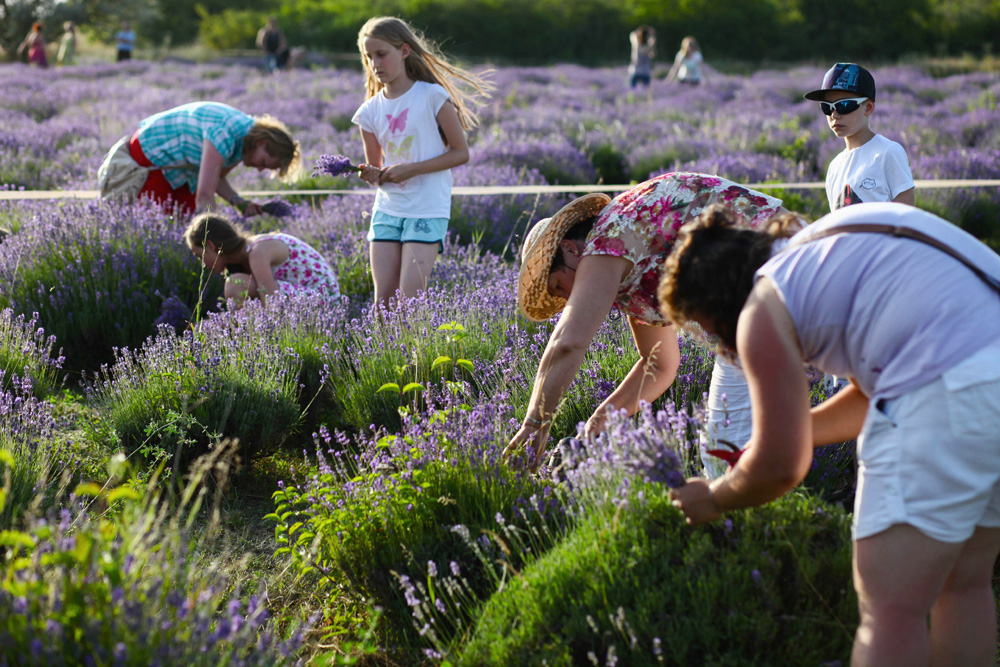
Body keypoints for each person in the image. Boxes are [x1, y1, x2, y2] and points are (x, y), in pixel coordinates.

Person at [660, 201, 1000, 667]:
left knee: (891, 607)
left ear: (717, 303)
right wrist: (784, 434)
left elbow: (782, 467)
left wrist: (715, 497)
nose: (721, 345)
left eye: (708, 328)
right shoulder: (826, 244)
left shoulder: (762, 303)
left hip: (944, 388)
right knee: (963, 583)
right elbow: (865, 397)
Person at [502, 172, 788, 471]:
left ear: (570, 249)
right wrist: (600, 422)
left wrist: (535, 424)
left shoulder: (605, 243)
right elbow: (658, 364)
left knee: (725, 452)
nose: (569, 300)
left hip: (776, 265)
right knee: (729, 451)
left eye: (559, 286)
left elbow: (568, 343)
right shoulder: (629, 268)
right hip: (754, 302)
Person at [351, 16, 492, 306]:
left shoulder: (432, 96)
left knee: (409, 303)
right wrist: (370, 173)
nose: (375, 63)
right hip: (387, 210)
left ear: (404, 51)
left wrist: (411, 169)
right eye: (369, 57)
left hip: (427, 209)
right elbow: (376, 172)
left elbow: (460, 152)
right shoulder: (368, 112)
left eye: (381, 54)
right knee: (383, 305)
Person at [98, 101, 301, 216]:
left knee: (188, 219)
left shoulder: (243, 141)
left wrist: (238, 201)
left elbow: (216, 177)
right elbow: (204, 195)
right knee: (158, 222)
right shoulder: (226, 134)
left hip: (179, 168)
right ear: (261, 142)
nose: (259, 169)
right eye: (264, 163)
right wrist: (222, 236)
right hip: (152, 154)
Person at [805, 63, 914, 210]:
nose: (834, 115)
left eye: (844, 105)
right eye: (827, 107)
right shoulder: (834, 167)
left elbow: (907, 215)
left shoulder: (888, 153)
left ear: (868, 107)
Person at [184, 213, 340, 308]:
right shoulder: (246, 256)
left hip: (326, 304)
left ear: (211, 246)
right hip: (309, 299)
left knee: (236, 284)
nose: (202, 264)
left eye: (199, 256)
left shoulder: (257, 252)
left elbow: (271, 304)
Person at [627, 26, 656, 90]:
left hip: (635, 70)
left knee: (632, 90)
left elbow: (632, 34)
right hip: (646, 71)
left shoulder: (636, 45)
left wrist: (639, 30)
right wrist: (652, 33)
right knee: (647, 90)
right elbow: (653, 40)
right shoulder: (650, 46)